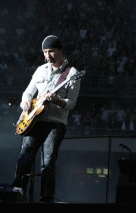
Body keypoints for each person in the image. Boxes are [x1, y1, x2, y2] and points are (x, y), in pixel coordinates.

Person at [11, 35, 82, 203]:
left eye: (51, 51)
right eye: (45, 52)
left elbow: (71, 103)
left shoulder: (72, 74)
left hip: (55, 123)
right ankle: (18, 191)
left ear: (60, 51)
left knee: (48, 161)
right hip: (35, 120)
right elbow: (27, 93)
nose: (48, 56)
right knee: (25, 156)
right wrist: (26, 102)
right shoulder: (41, 70)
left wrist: (57, 100)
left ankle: (46, 198)